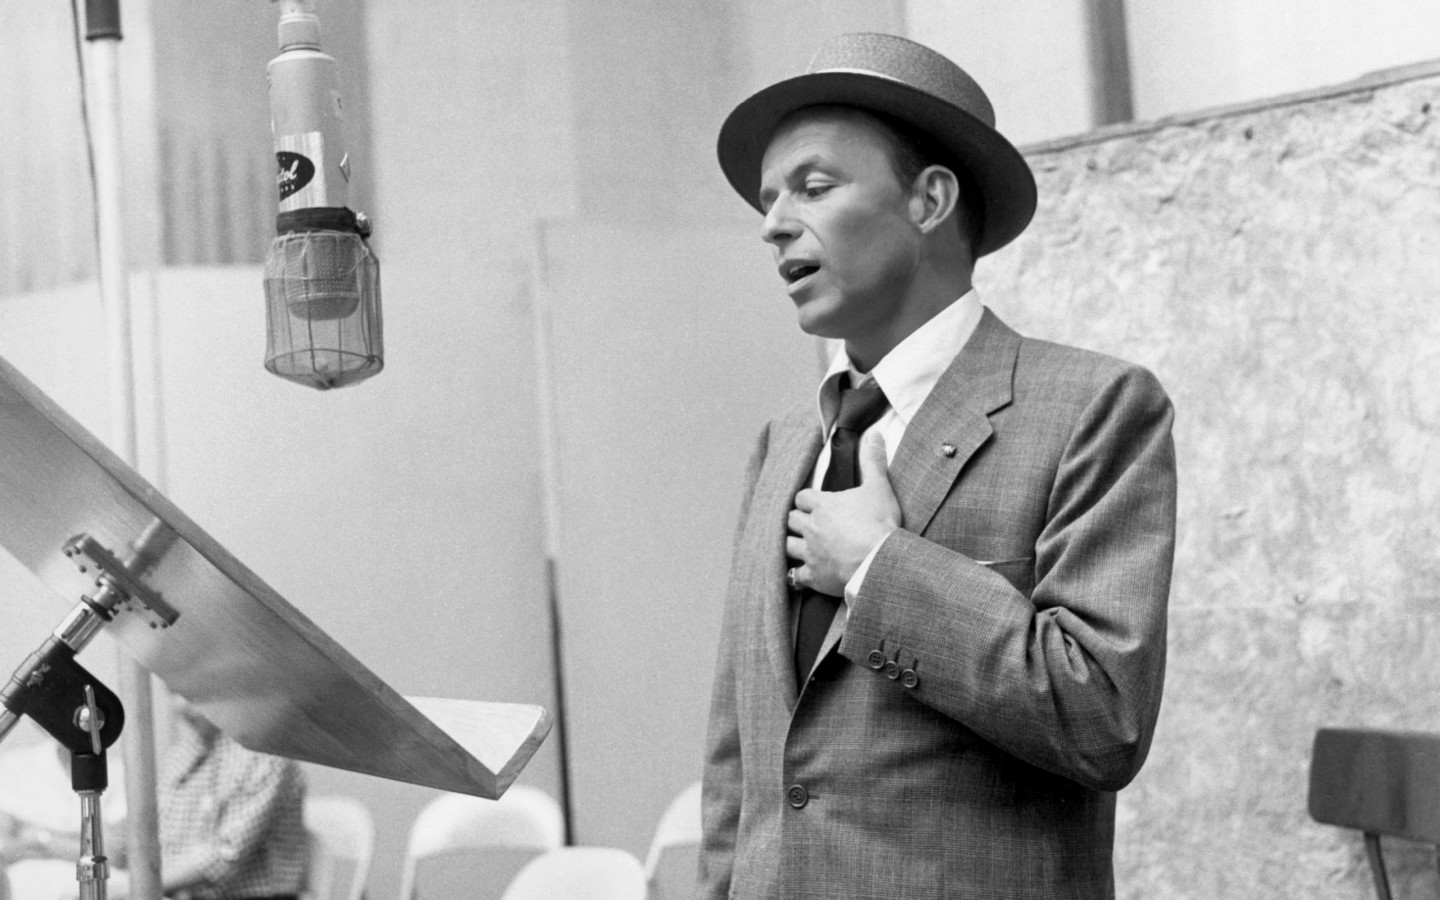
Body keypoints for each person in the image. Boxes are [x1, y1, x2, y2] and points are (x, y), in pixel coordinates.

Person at [700, 32, 1177, 900]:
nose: (773, 223)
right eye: (769, 199)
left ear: (929, 200)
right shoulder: (782, 445)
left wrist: (878, 568)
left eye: (814, 186)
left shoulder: (1093, 408)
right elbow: (739, 761)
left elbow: (1103, 718)